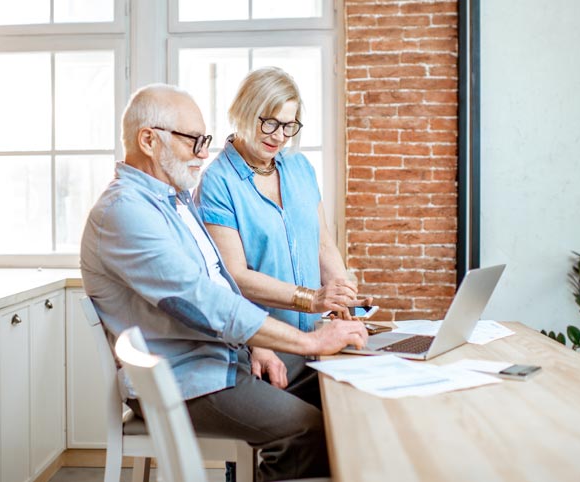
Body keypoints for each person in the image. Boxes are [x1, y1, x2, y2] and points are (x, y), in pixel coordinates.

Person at [80, 83, 368, 481]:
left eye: (205, 141)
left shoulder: (173, 201)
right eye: (194, 141)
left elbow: (219, 283)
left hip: (221, 360)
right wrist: (310, 341)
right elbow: (203, 302)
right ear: (148, 140)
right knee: (309, 430)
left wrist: (259, 343)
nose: (203, 153)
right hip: (189, 379)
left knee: (340, 388)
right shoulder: (125, 211)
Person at [194, 67, 366, 390]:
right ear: (244, 112)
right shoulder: (218, 181)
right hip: (267, 347)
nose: (279, 136)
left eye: (288, 125)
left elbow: (322, 244)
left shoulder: (300, 167)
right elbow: (234, 277)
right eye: (270, 123)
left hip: (318, 339)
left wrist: (343, 300)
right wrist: (311, 299)